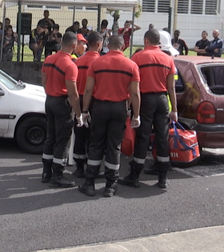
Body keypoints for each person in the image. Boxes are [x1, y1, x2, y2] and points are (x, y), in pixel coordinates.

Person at [78, 34, 141, 197]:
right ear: (122, 46)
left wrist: (84, 111)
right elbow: (134, 93)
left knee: (96, 144)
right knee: (114, 146)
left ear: (107, 45)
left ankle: (89, 183)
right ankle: (110, 186)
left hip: (100, 107)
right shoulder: (131, 65)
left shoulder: (96, 63)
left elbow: (88, 90)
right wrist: (136, 115)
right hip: (120, 108)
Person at [119, 29, 178, 189]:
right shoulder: (168, 59)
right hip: (162, 99)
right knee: (162, 137)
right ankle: (163, 178)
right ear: (159, 42)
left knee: (143, 137)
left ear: (146, 41)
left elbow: (133, 85)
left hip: (145, 99)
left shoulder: (138, 57)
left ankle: (135, 175)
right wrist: (175, 110)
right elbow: (171, 87)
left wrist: (129, 105)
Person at [40, 31, 83, 188]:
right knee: (63, 139)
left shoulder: (49, 59)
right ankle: (58, 174)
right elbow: (72, 93)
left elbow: (44, 81)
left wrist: (51, 93)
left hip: (50, 100)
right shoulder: (70, 65)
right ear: (73, 45)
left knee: (50, 136)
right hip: (62, 103)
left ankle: (46, 171)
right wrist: (79, 114)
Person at [71, 31, 102, 179]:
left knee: (79, 133)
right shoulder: (101, 62)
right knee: (95, 136)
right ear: (99, 44)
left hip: (80, 99)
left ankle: (79, 167)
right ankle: (93, 167)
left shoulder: (79, 61)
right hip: (95, 101)